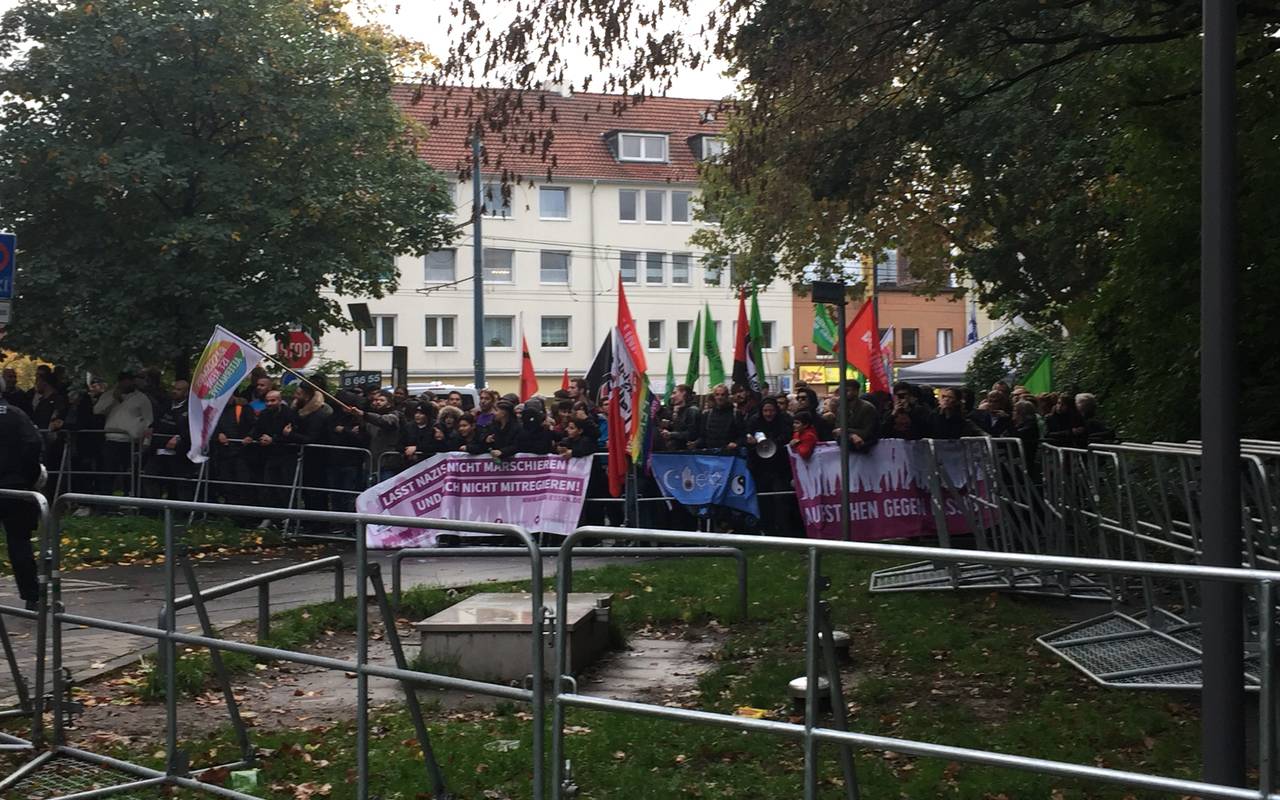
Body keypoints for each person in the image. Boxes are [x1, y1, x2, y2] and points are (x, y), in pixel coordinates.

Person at [0, 392, 43, 610]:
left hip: (13, 483)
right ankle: (32, 596)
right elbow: (33, 443)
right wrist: (27, 477)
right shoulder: (15, 415)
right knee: (19, 543)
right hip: (14, 486)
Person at [94, 371, 154, 496]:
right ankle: (105, 504)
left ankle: (132, 500)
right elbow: (97, 410)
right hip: (111, 438)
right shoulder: (109, 395)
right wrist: (114, 398)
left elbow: (149, 421)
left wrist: (146, 442)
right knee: (108, 473)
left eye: (129, 380)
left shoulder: (141, 398)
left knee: (131, 474)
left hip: (130, 441)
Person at [144, 379, 194, 502]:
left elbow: (192, 430)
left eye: (179, 389)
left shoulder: (191, 409)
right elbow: (156, 421)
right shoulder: (165, 404)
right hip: (158, 448)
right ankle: (152, 509)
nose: (174, 391)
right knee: (150, 477)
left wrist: (179, 438)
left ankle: (178, 512)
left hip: (178, 452)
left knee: (177, 483)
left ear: (187, 392)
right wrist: (151, 428)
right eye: (174, 388)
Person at [696, 384, 742, 453]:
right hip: (710, 455)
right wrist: (695, 443)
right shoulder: (707, 415)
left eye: (722, 395)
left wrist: (736, 443)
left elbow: (743, 435)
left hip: (729, 455)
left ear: (727, 396)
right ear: (714, 396)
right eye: (717, 394)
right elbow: (703, 437)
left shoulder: (736, 414)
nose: (720, 397)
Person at [660, 384, 701, 452]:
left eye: (674, 393)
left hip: (686, 453)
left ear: (683, 393)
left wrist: (671, 434)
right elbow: (681, 428)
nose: (671, 397)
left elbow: (691, 434)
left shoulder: (692, 411)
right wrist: (670, 425)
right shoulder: (680, 411)